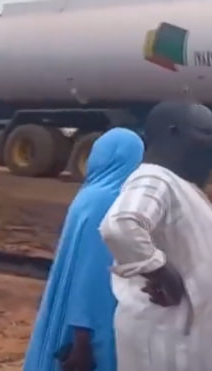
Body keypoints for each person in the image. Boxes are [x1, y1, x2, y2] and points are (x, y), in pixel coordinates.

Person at [99, 100, 212, 370]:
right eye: (207, 133)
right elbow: (121, 225)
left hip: (204, 343)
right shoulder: (154, 178)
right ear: (173, 133)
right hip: (174, 342)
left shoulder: (183, 188)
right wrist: (159, 271)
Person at [24, 127, 142, 371]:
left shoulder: (88, 195)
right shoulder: (110, 201)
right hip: (90, 325)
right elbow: (91, 275)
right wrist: (83, 343)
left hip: (74, 315)